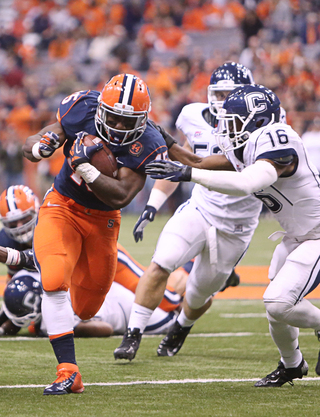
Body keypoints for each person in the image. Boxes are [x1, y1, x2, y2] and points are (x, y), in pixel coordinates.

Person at [145, 83, 320, 387]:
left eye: (235, 122)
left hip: (316, 236)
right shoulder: (247, 145)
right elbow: (198, 161)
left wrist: (187, 175)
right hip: (295, 236)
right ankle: (292, 364)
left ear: (259, 121)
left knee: (278, 302)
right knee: (276, 310)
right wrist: (168, 143)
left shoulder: (277, 138)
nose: (227, 130)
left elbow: (247, 183)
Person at [22, 73, 169, 395]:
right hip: (63, 205)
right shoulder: (83, 108)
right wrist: (38, 147)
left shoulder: (148, 142)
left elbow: (120, 196)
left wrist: (85, 167)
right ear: (100, 108)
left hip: (103, 220)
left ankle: (54, 273)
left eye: (125, 119)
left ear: (143, 119)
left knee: (87, 307)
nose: (117, 124)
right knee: (54, 279)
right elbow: (38, 139)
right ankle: (68, 371)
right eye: (113, 115)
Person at [114, 62, 263, 362]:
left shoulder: (260, 129)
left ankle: (182, 325)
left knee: (198, 293)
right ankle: (133, 334)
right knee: (161, 261)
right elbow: (184, 160)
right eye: (218, 94)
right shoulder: (194, 117)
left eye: (230, 95)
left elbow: (212, 171)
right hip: (201, 207)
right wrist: (152, 205)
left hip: (236, 225)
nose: (223, 102)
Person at [1, 243, 190, 338]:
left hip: (105, 260)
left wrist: (65, 329)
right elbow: (17, 309)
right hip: (104, 284)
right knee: (163, 291)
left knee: (172, 300)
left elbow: (104, 329)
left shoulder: (52, 311)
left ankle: (197, 274)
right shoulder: (33, 281)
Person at [0, 185, 39, 280]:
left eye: (25, 219)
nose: (20, 227)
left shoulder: (51, 228)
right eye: (12, 223)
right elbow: (14, 276)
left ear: (37, 211)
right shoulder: (5, 240)